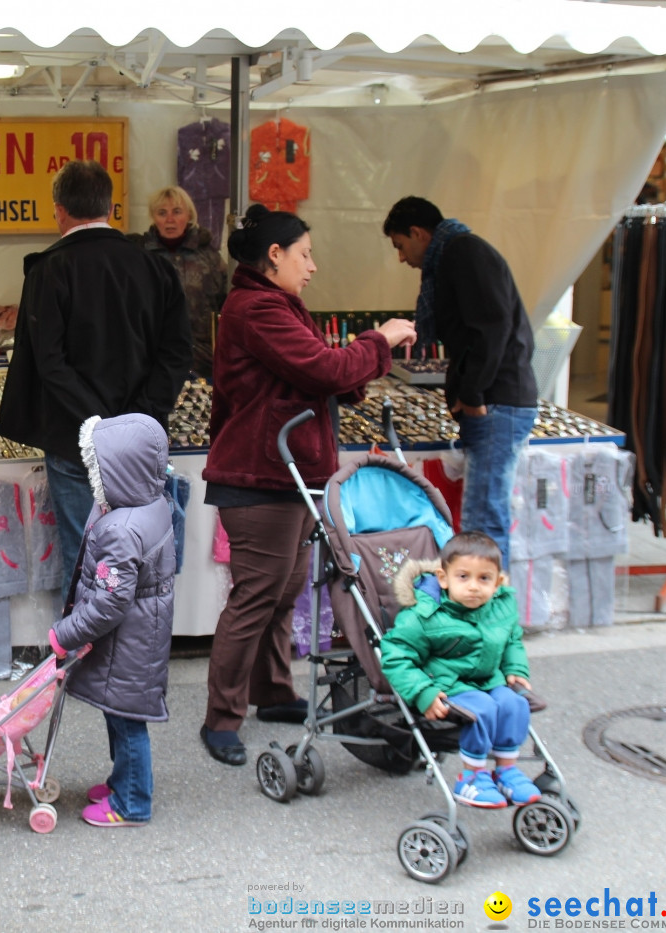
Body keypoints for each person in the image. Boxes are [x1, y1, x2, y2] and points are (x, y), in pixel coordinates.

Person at [200, 204, 416, 766]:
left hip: (288, 471)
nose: (313, 266)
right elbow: (324, 370)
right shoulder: (255, 309)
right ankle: (221, 718)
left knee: (281, 594)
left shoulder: (278, 306)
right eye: (305, 253)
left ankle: (272, 693)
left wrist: (353, 373)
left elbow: (319, 374)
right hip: (258, 473)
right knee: (256, 597)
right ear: (275, 256)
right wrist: (379, 340)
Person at [0, 160, 192, 586]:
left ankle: (87, 648)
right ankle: (135, 647)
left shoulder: (49, 270)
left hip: (75, 440)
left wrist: (98, 424)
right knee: (139, 550)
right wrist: (137, 417)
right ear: (110, 209)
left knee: (86, 554)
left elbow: (49, 361)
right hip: (141, 439)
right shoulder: (156, 268)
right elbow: (176, 354)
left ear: (59, 210)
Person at [383, 196, 538, 570]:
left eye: (401, 246)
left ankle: (486, 617)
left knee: (483, 520)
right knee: (482, 516)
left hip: (498, 402)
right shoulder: (455, 254)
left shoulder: (463, 253)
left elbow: (492, 328)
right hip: (495, 399)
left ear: (419, 233)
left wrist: (472, 394)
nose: (402, 258)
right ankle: (483, 610)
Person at [48, 413, 177, 828]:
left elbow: (109, 603)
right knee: (119, 715)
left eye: (98, 469)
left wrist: (64, 634)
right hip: (138, 637)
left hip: (128, 644)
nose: (93, 478)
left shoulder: (123, 528)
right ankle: (124, 780)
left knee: (125, 722)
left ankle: (133, 801)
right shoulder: (147, 505)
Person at [379, 531, 543, 808]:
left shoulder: (500, 608)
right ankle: (471, 777)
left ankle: (506, 770)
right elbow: (397, 656)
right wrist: (423, 692)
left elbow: (512, 638)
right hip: (446, 684)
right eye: (463, 577)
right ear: (443, 579)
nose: (474, 587)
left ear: (498, 582)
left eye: (484, 579)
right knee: (483, 709)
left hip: (489, 679)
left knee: (515, 704)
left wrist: (515, 668)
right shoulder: (424, 615)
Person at [127, 185, 227, 380]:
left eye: (177, 212)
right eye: (162, 213)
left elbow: (225, 307)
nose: (170, 220)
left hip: (204, 360)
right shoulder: (141, 256)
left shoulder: (210, 257)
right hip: (153, 359)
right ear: (153, 217)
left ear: (189, 215)